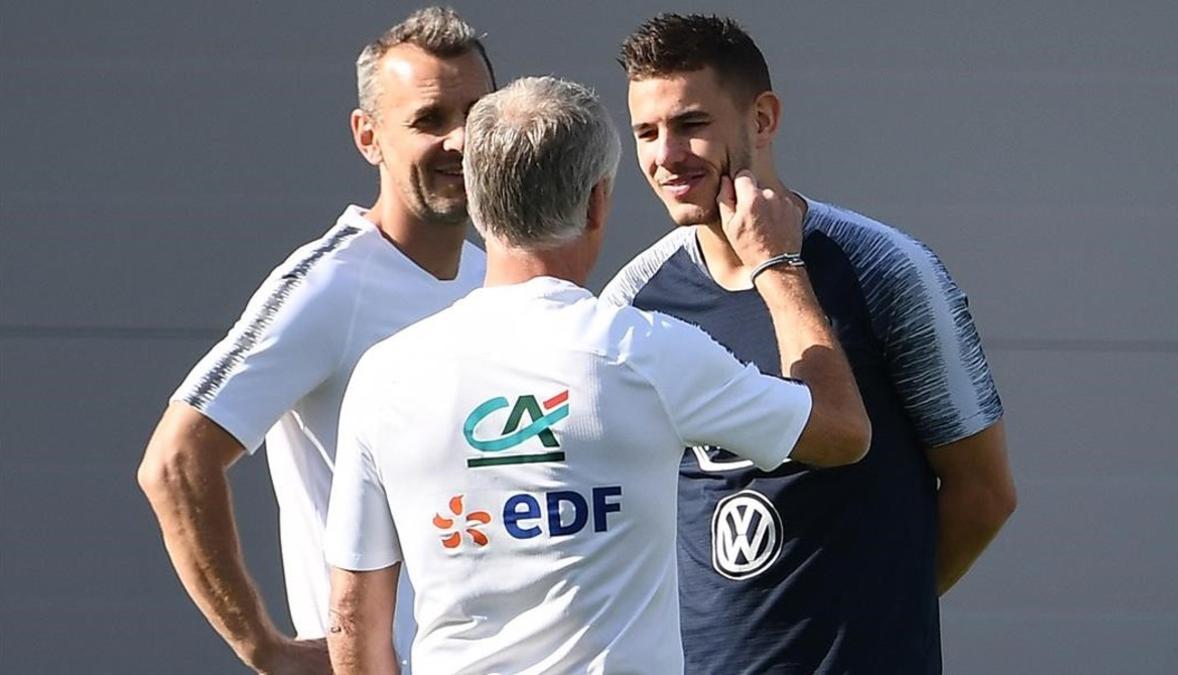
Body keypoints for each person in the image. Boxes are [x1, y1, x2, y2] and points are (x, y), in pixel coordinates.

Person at [322, 76, 870, 675]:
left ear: (476, 202)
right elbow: (842, 432)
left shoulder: (388, 375)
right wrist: (779, 264)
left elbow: (353, 615)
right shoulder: (645, 352)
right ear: (597, 202)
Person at [601, 13, 1018, 674]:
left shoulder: (885, 268)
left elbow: (984, 491)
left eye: (691, 125)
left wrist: (878, 615)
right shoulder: (631, 300)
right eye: (647, 132)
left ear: (761, 119)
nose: (665, 156)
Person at [136, 8, 495, 672]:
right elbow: (175, 462)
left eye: (475, 114)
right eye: (428, 120)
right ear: (369, 137)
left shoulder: (493, 277)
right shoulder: (328, 287)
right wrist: (262, 646)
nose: (459, 141)